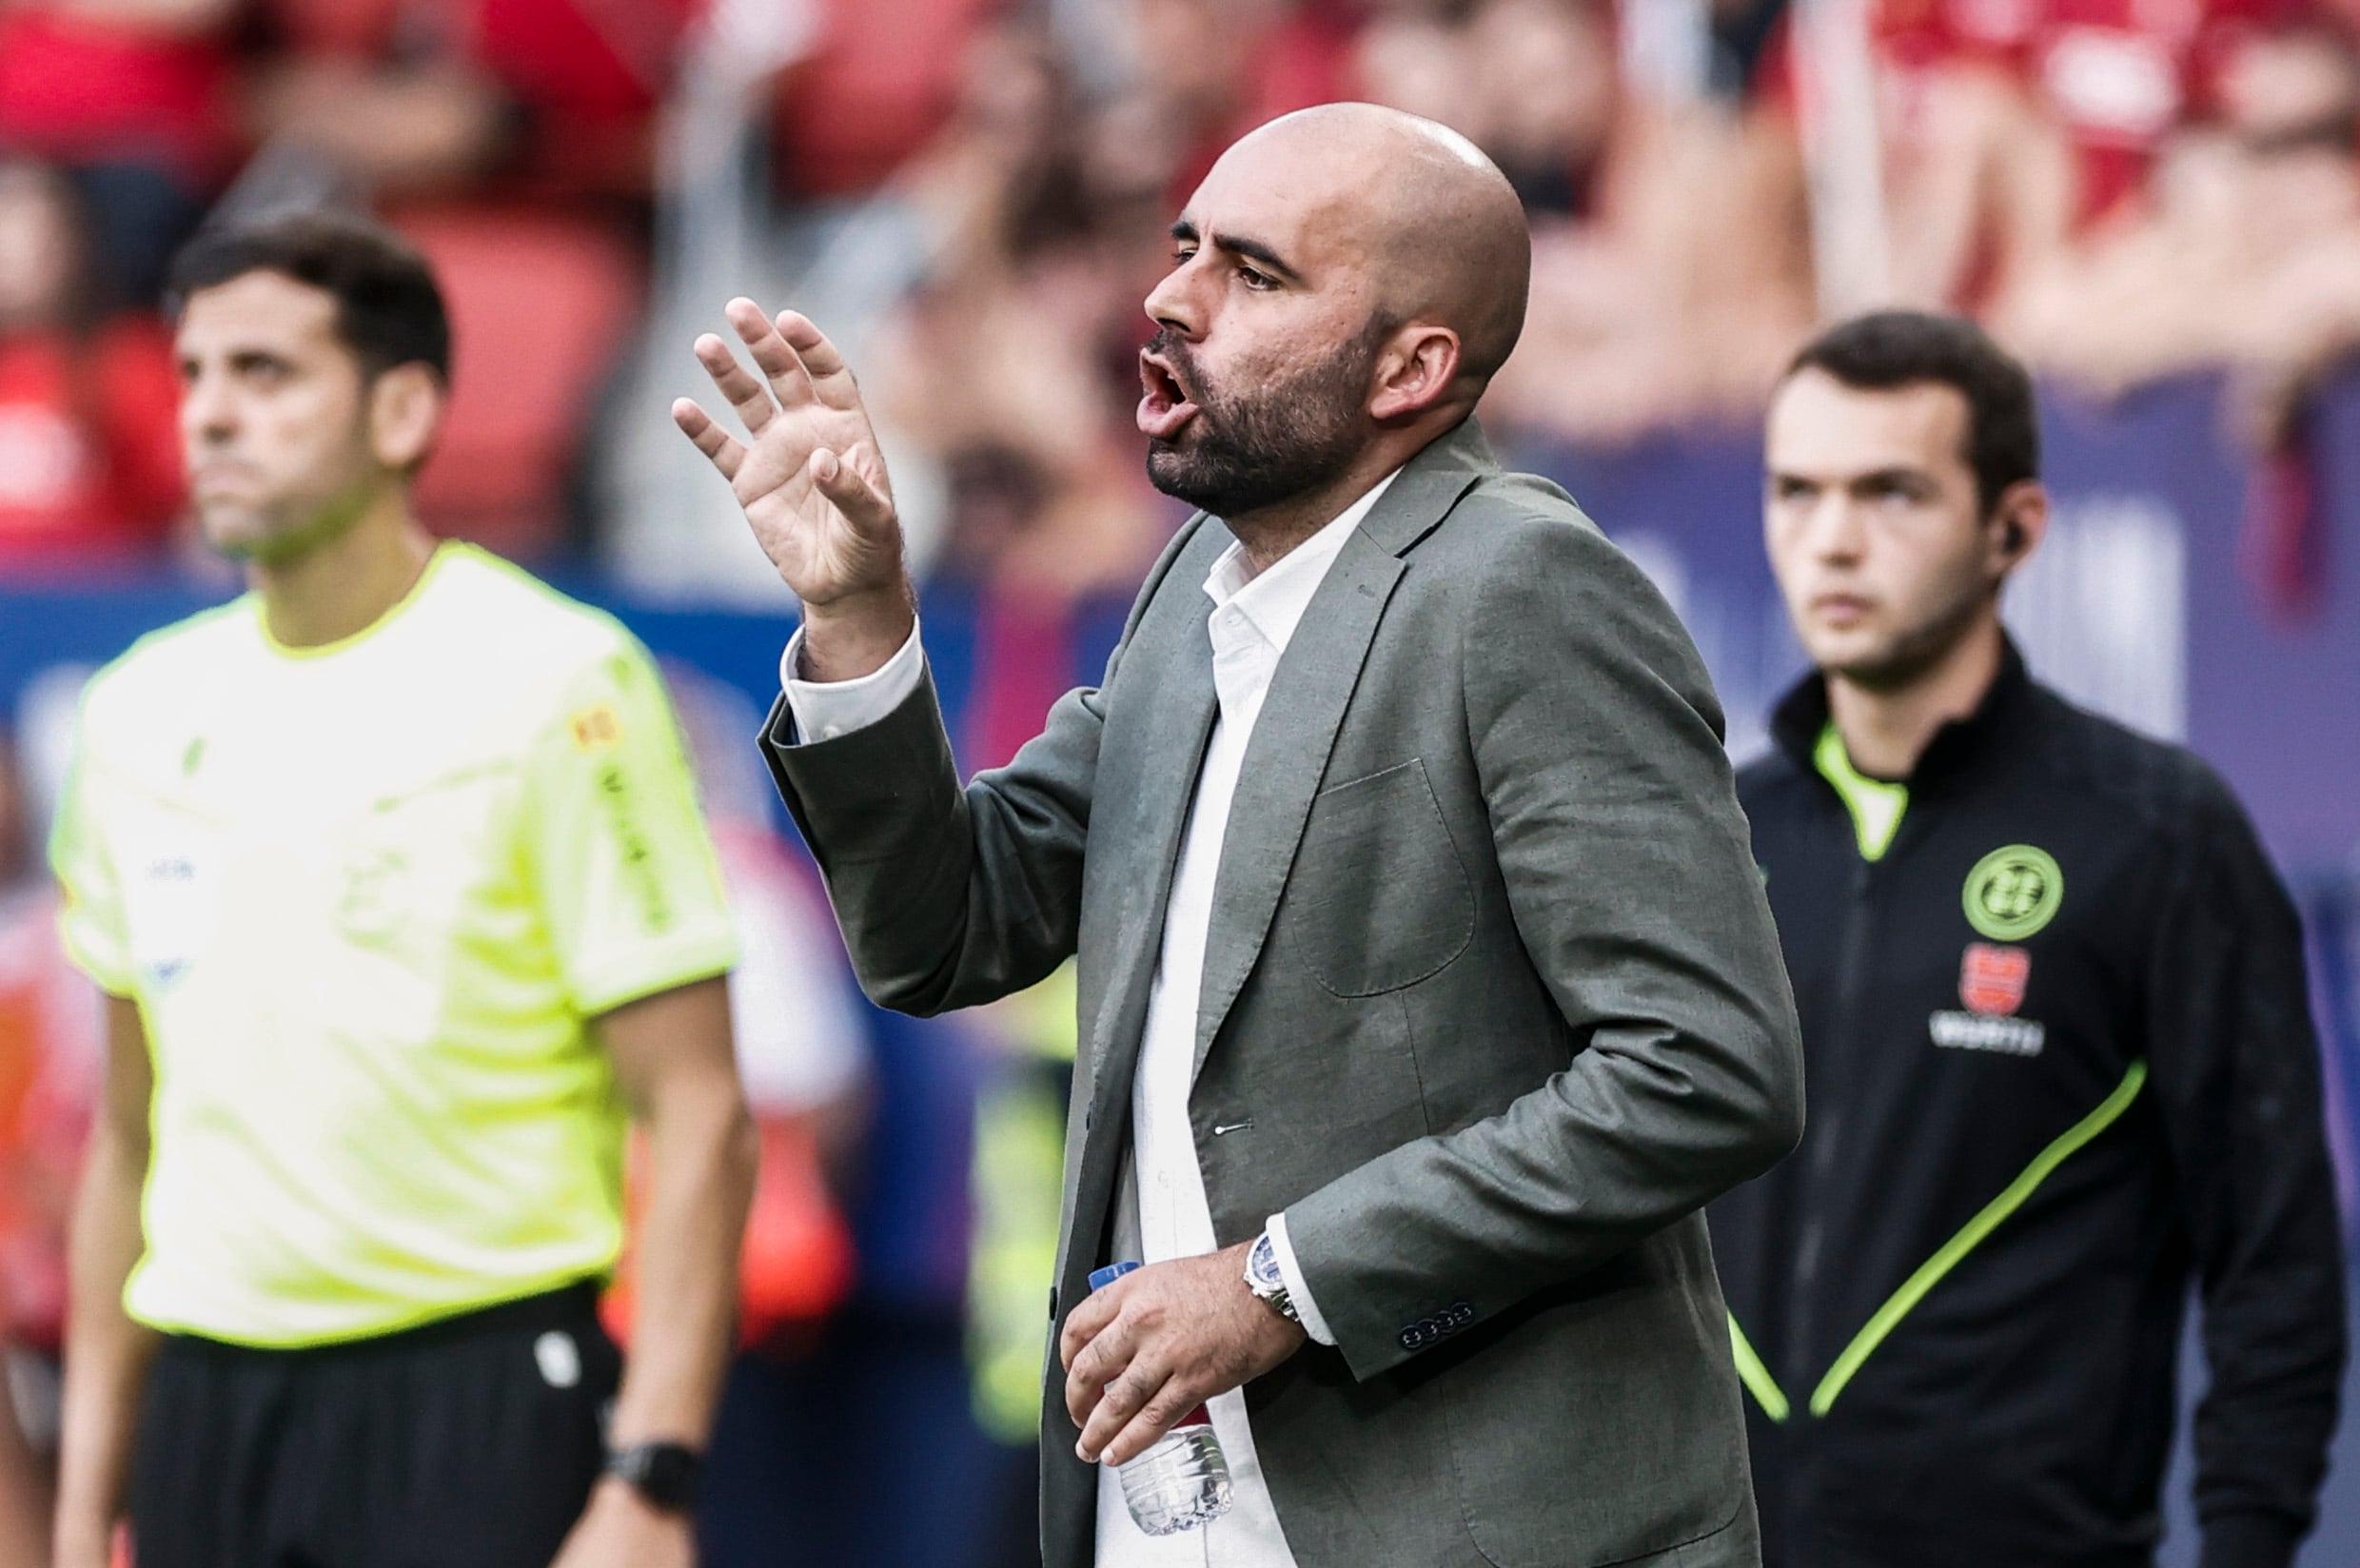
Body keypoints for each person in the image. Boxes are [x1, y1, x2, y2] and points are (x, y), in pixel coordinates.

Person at [678, 101, 1806, 1568]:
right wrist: (859, 619)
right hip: (1186, 1519)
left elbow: (1707, 1071)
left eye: (1256, 276)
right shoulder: (1195, 592)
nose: (1171, 299)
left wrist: (1281, 1285)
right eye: (1184, 249)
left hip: (1474, 1525)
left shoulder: (1522, 588)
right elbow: (946, 931)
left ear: (1414, 366)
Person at [47, 213, 756, 1568]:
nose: (210, 417)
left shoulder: (563, 680)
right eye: (193, 375)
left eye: (266, 374)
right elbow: (127, 1141)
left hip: (476, 1396)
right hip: (206, 1413)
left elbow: (701, 1110)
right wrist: (83, 1518)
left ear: (403, 408)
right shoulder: (132, 713)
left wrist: (652, 1478)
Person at [1707, 310, 2347, 1568]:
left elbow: (2276, 1267)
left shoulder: (2155, 836)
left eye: (1893, 493)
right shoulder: (1708, 833)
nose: (1831, 539)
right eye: (1797, 491)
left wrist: (2251, 1547)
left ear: (2015, 530)